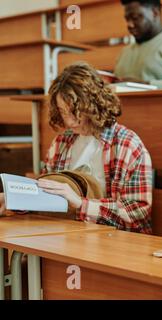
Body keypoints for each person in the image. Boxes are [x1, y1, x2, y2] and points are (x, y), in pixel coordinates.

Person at [0, 62, 153, 234]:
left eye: (76, 112)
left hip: (112, 242)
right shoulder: (61, 143)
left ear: (94, 105)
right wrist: (15, 200)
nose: (70, 121)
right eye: (63, 112)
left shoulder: (128, 146)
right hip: (64, 236)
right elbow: (45, 198)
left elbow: (137, 216)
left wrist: (80, 204)